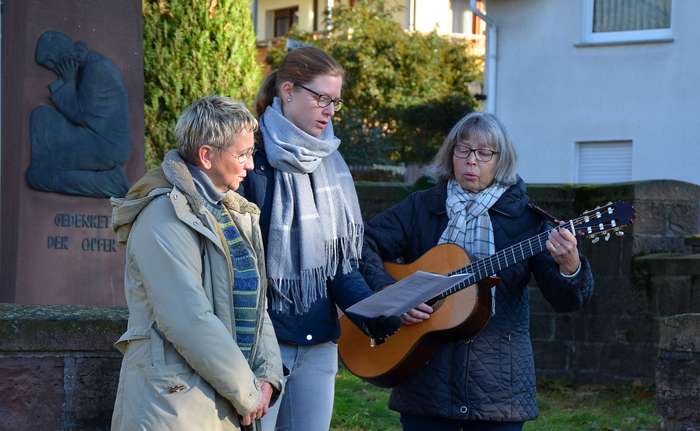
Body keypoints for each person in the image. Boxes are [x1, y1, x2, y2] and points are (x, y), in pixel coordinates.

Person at [359, 112, 594, 431]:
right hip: (425, 383)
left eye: (484, 153)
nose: (472, 161)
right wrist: (393, 296)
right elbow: (363, 244)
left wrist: (570, 266)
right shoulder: (422, 206)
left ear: (501, 161)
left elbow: (567, 300)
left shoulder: (528, 221)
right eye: (463, 150)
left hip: (498, 390)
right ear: (450, 154)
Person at [240, 46, 400, 431]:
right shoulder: (248, 158)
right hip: (261, 344)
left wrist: (377, 316)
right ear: (289, 90)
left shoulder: (331, 163)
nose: (330, 111)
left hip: (318, 344)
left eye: (336, 102)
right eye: (322, 98)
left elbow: (339, 263)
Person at [110, 96, 283, 431]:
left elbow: (258, 305)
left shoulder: (234, 213)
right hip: (175, 407)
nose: (250, 164)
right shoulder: (162, 216)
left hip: (229, 399)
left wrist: (268, 377)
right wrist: (248, 393)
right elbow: (188, 318)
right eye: (243, 154)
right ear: (207, 156)